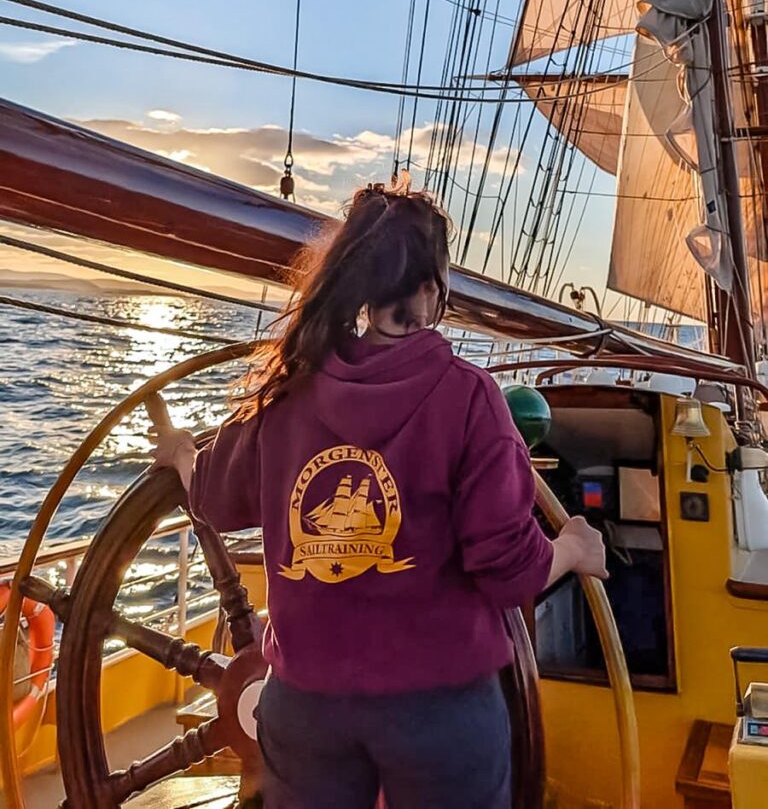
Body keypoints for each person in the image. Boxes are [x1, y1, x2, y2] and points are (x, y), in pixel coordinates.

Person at [152, 182, 607, 809]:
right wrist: (575, 548)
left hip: (304, 711)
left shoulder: (286, 392)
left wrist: (180, 450)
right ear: (429, 291)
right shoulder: (470, 399)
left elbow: (213, 495)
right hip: (440, 718)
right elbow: (512, 573)